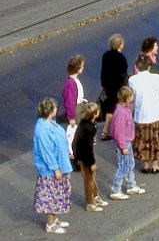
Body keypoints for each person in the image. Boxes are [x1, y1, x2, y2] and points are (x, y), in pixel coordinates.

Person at [32, 98, 73, 234]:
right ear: (50, 111)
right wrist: (55, 168)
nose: (57, 109)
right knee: (51, 196)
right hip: (50, 171)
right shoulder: (42, 130)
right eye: (55, 107)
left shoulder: (51, 124)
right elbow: (46, 152)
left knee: (58, 194)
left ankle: (55, 219)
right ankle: (50, 224)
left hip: (61, 165)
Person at [128, 55, 159, 174]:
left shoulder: (132, 80)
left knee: (143, 140)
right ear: (149, 66)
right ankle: (155, 165)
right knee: (156, 139)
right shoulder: (156, 78)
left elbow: (133, 97)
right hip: (156, 113)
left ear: (137, 66)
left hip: (141, 115)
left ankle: (145, 165)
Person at [108, 86, 144, 200]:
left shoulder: (124, 109)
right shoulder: (121, 113)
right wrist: (123, 147)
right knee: (124, 166)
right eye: (131, 96)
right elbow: (119, 131)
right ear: (127, 98)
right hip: (123, 143)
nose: (133, 98)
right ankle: (115, 190)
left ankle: (131, 185)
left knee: (129, 164)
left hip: (126, 141)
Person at [72, 102, 107, 212]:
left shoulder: (86, 124)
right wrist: (91, 163)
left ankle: (95, 196)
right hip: (85, 157)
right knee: (89, 180)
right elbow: (87, 149)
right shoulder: (88, 128)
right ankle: (90, 203)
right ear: (95, 114)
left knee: (92, 178)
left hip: (82, 155)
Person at [98, 34, 127, 141]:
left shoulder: (106, 55)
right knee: (114, 108)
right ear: (120, 45)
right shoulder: (121, 57)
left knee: (112, 106)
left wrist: (103, 84)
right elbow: (123, 73)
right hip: (118, 86)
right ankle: (106, 131)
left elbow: (103, 71)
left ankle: (111, 130)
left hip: (108, 86)